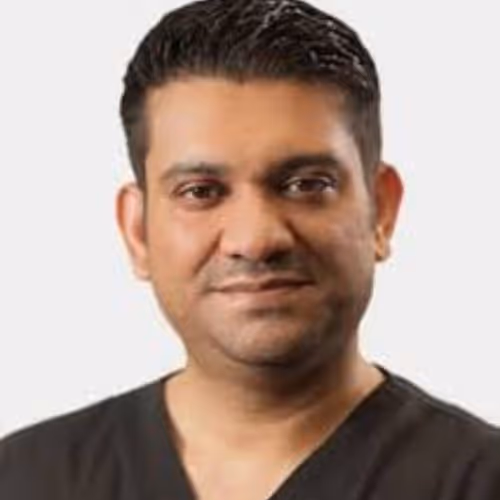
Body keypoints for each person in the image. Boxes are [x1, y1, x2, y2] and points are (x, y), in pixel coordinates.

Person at [1, 0, 498, 498]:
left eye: (306, 184)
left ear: (381, 211)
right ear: (137, 231)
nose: (255, 239)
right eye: (200, 191)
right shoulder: (24, 478)